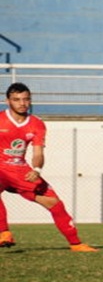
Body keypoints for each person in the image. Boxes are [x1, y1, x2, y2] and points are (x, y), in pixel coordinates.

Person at [0, 82, 97, 252]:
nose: (22, 103)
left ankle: (76, 244)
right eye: (16, 100)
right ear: (8, 101)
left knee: (54, 203)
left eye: (25, 99)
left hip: (18, 170)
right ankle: (3, 232)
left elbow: (38, 153)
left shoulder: (36, 124)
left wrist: (36, 170)